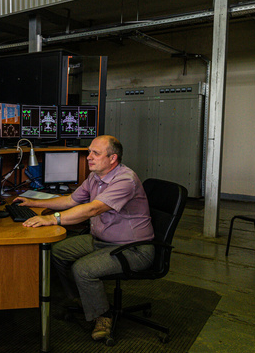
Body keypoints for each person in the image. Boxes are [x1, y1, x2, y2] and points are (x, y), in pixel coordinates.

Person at [12, 135, 154, 341]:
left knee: (83, 269)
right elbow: (71, 200)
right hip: (102, 240)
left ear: (113, 158)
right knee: (58, 251)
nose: (89, 157)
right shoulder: (95, 177)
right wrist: (32, 202)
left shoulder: (125, 180)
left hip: (134, 248)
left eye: (95, 153)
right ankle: (82, 299)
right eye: (89, 152)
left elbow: (92, 209)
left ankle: (102, 316)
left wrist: (52, 220)